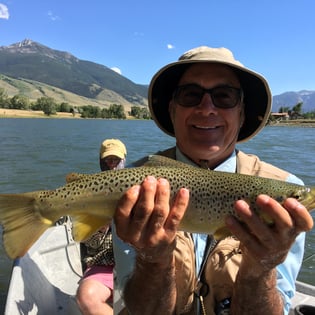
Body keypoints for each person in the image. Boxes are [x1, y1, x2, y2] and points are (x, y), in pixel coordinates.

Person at [112, 46, 314, 315]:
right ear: (172, 110)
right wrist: (153, 261)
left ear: (242, 113)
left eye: (224, 96)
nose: (207, 109)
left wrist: (260, 270)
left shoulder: (286, 192)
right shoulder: (134, 187)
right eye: (191, 95)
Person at [76, 139, 127, 315]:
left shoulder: (140, 187)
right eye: (108, 160)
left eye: (116, 160)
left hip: (139, 264)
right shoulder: (89, 190)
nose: (112, 165)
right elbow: (89, 244)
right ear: (100, 161)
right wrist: (103, 225)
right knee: (87, 297)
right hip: (103, 263)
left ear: (124, 160)